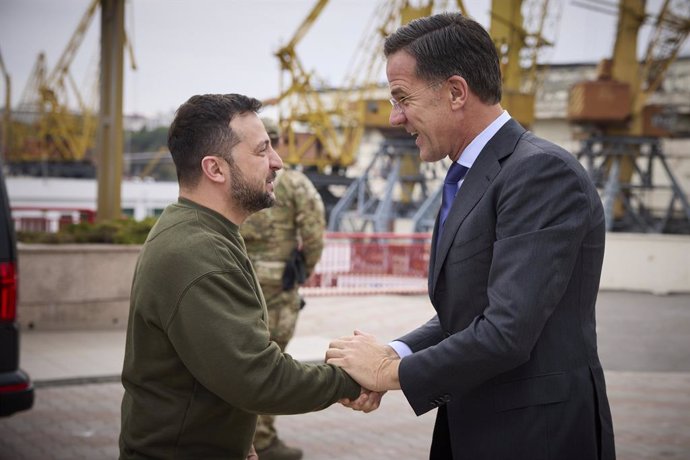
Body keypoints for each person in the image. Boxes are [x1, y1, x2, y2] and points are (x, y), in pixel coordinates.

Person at [327, 12, 615, 460]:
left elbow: (506, 330)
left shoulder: (540, 173)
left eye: (403, 98)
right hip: (479, 424)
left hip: (536, 437)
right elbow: (471, 311)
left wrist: (390, 372)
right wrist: (396, 351)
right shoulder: (476, 174)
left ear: (456, 92)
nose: (394, 116)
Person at [119, 93, 374, 460]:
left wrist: (240, 441)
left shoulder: (197, 229)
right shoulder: (199, 255)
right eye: (261, 151)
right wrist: (354, 377)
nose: (278, 162)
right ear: (215, 169)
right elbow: (259, 378)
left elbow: (219, 370)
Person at [240, 119, 326, 460]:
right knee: (270, 364)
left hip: (239, 280)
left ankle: (240, 437)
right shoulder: (294, 183)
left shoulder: (239, 179)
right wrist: (302, 270)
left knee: (240, 361)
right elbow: (315, 232)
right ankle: (262, 440)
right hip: (278, 289)